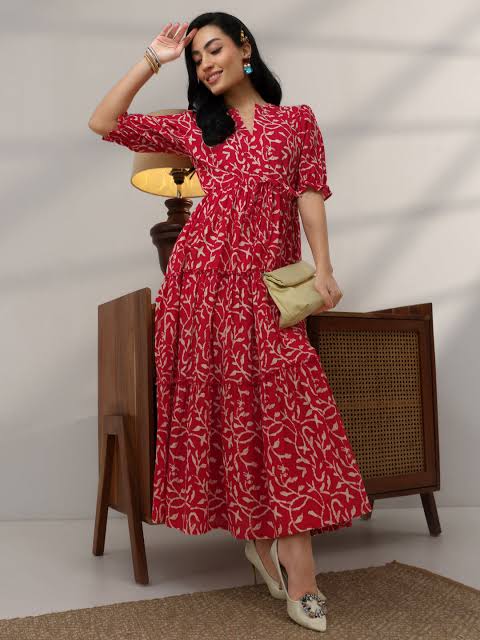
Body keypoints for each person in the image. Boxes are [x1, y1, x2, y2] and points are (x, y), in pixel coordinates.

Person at [89, 12, 372, 632]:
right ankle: (278, 558)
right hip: (199, 290)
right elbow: (104, 122)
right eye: (196, 59)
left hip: (263, 289)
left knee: (287, 419)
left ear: (245, 47)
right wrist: (154, 58)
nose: (205, 65)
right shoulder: (198, 125)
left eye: (213, 49)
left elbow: (310, 194)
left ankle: (290, 563)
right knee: (237, 420)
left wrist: (324, 267)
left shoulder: (296, 122)